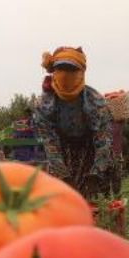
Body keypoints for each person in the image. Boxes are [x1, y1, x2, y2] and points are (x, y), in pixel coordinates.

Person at [33, 47, 115, 200]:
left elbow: (103, 141)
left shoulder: (96, 102)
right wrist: (63, 176)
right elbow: (49, 143)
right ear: (53, 73)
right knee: (60, 199)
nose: (65, 75)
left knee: (96, 201)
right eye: (61, 69)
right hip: (60, 152)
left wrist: (96, 173)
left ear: (82, 73)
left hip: (90, 150)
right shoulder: (43, 104)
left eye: (71, 69)